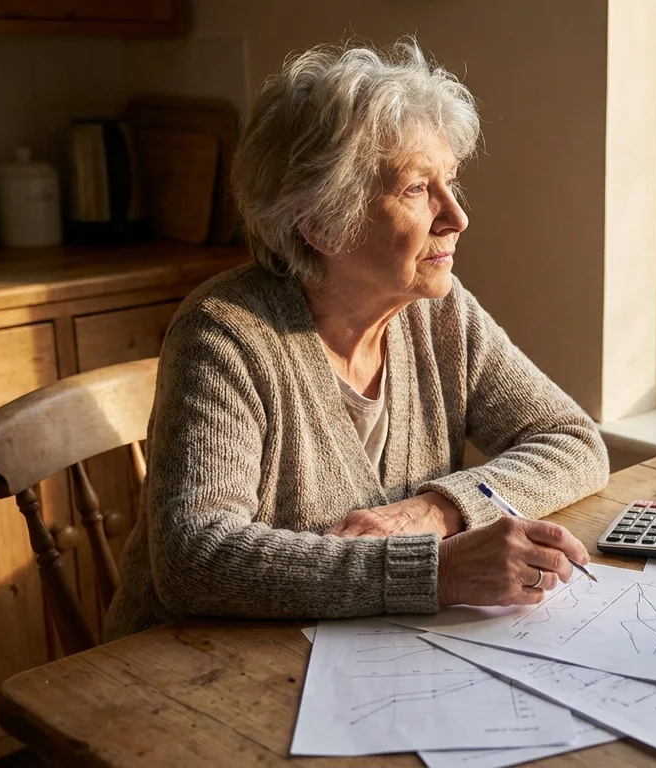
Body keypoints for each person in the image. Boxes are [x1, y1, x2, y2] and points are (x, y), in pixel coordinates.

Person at [103, 39, 610, 640]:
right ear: (320, 224)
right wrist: (437, 571)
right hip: (186, 676)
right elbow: (196, 559)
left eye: (450, 181)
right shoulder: (225, 334)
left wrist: (437, 510)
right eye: (417, 189)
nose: (457, 217)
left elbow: (573, 441)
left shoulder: (439, 315)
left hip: (358, 653)